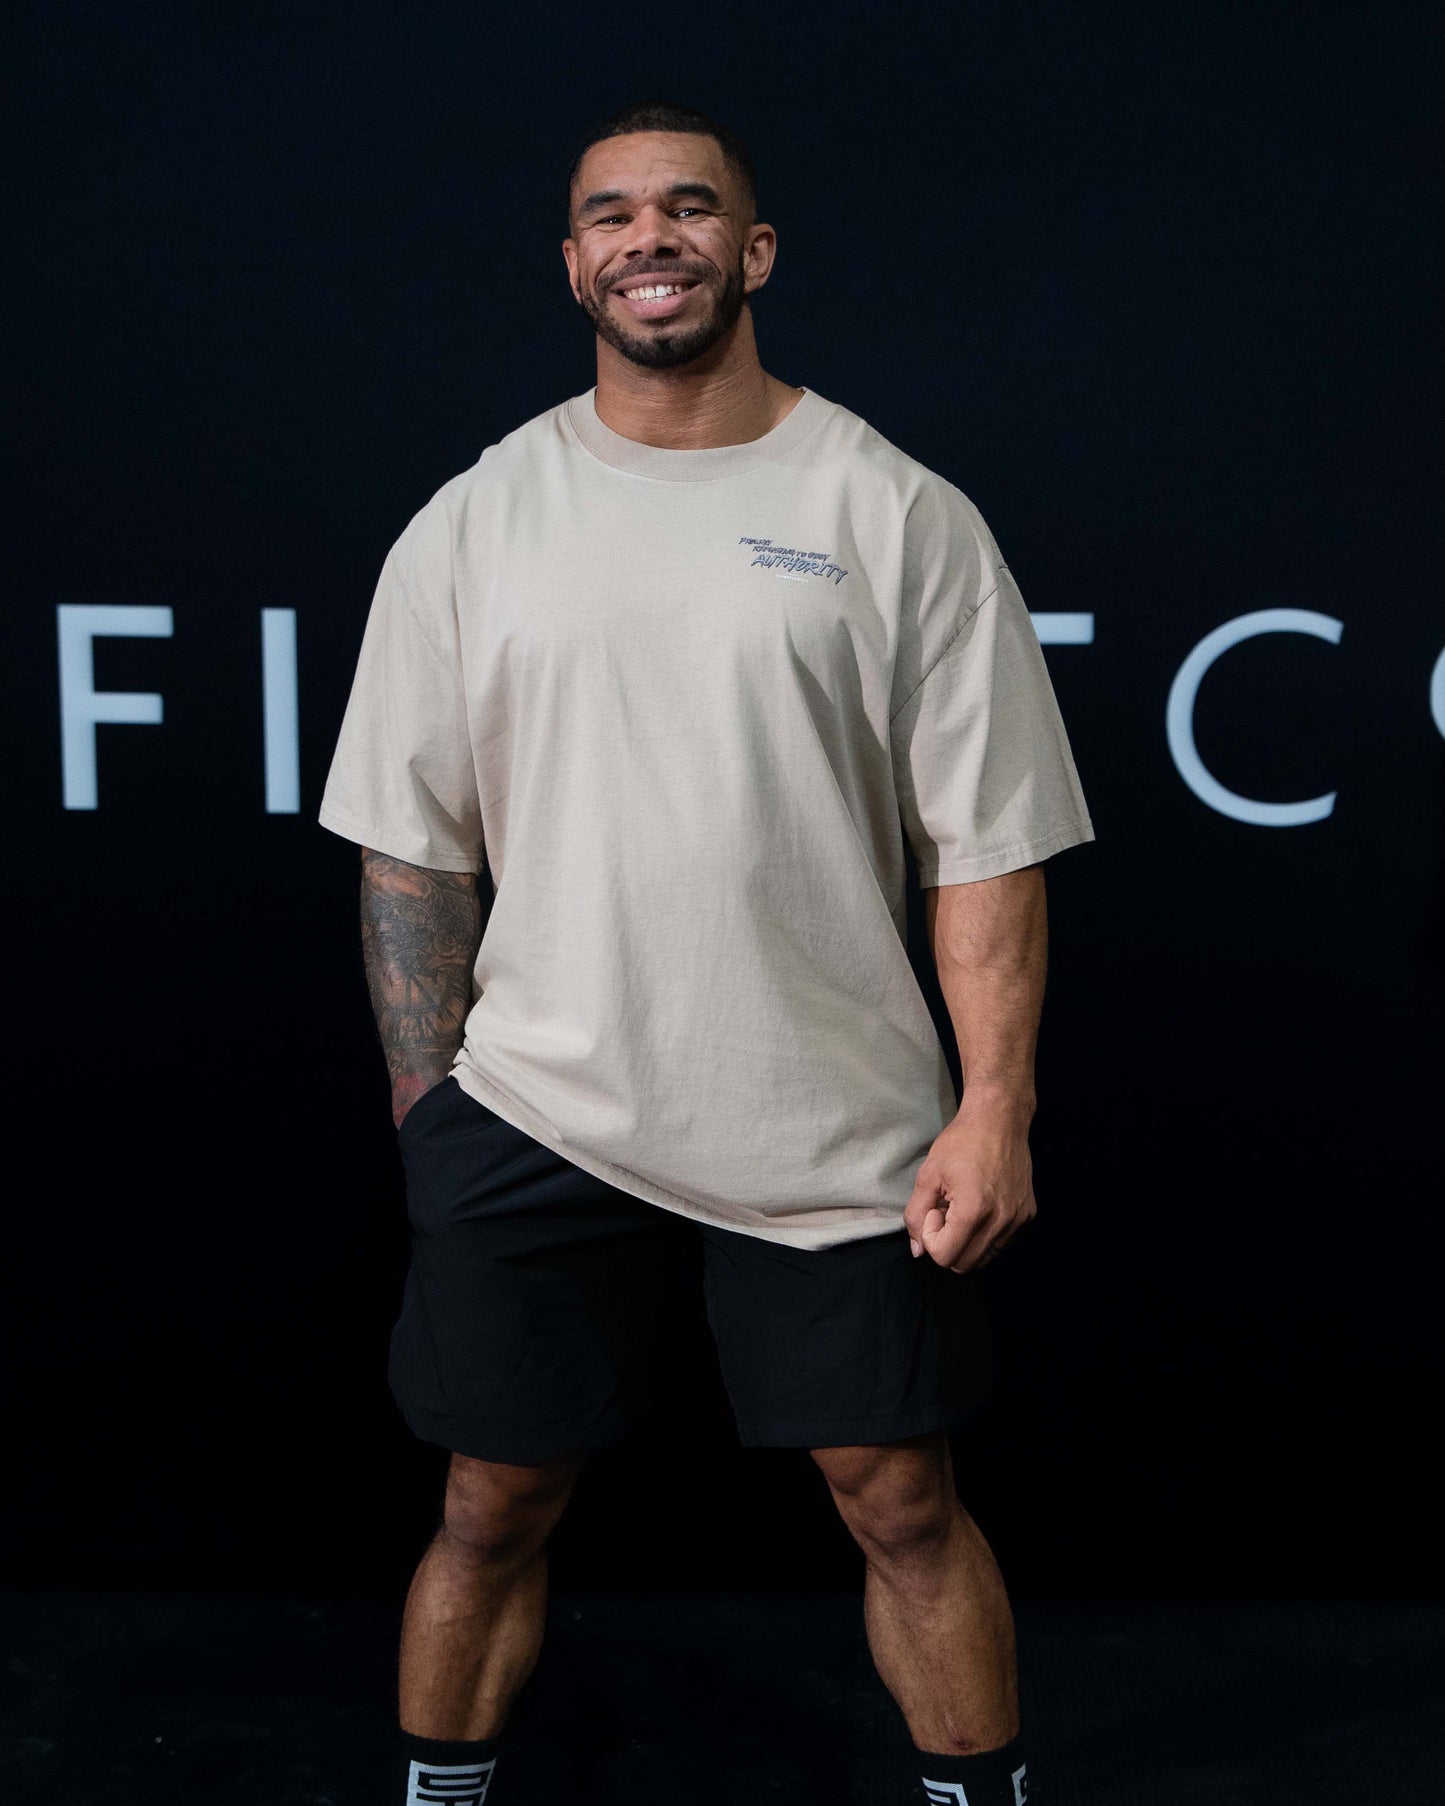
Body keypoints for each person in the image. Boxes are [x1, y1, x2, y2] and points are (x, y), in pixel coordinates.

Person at [319, 96, 1093, 1806]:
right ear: (572, 265)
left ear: (753, 251)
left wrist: (994, 1107)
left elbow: (987, 845)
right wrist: (429, 1109)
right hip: (536, 1102)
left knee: (902, 1500)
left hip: (829, 1114)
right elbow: (410, 847)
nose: (647, 238)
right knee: (487, 1501)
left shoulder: (892, 510)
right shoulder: (477, 519)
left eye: (686, 207)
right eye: (611, 215)